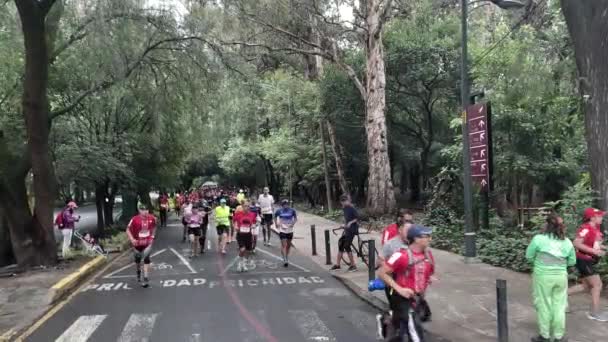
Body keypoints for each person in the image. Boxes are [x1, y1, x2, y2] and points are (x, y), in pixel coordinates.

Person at [378, 225, 435, 341]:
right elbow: (382, 273)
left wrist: (428, 279)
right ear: (416, 239)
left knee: (400, 331)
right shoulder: (400, 255)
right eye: (427, 236)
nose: (430, 239)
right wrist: (400, 289)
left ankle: (387, 319)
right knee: (415, 331)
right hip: (401, 297)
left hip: (417, 298)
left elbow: (429, 273)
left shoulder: (428, 256)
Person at [526, 214, 576, 342]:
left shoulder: (538, 239)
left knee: (544, 304)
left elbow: (529, 256)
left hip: (542, 277)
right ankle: (559, 337)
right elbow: (572, 262)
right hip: (561, 277)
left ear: (547, 225)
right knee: (559, 306)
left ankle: (545, 336)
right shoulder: (567, 242)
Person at [568, 207, 608, 321]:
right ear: (592, 218)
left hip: (588, 260)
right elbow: (576, 242)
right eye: (599, 216)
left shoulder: (596, 227)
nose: (602, 218)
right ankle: (594, 313)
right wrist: (594, 251)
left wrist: (603, 248)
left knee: (585, 286)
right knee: (597, 285)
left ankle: (558, 297)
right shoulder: (586, 228)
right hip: (583, 259)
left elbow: (594, 244)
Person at [126, 204, 156, 288]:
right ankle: (138, 271)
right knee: (138, 261)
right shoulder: (134, 219)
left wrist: (152, 237)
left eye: (147, 210)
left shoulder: (152, 218)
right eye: (143, 210)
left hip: (147, 243)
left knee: (146, 259)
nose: (145, 212)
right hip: (137, 243)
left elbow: (154, 227)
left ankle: (145, 278)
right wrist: (132, 239)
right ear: (139, 211)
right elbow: (127, 229)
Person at [330, 195, 359, 272]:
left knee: (347, 246)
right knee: (341, 244)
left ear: (347, 201)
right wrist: (344, 224)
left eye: (345, 201)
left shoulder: (352, 208)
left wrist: (350, 222)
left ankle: (353, 265)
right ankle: (338, 265)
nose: (344, 203)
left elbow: (357, 217)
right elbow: (346, 218)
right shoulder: (344, 208)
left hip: (353, 229)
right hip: (347, 229)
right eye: (343, 202)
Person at [233, 200, 257, 272]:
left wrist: (253, 226)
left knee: (248, 251)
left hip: (248, 235)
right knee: (242, 249)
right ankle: (240, 263)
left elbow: (254, 222)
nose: (247, 207)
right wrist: (235, 227)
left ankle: (244, 264)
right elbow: (233, 221)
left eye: (248, 206)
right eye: (245, 206)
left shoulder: (252, 214)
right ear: (242, 207)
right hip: (240, 234)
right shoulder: (238, 214)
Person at [274, 199, 298, 267]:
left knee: (288, 245)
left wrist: (293, 223)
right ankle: (285, 259)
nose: (286, 205)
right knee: (284, 245)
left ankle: (286, 256)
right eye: (284, 204)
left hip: (290, 230)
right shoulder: (279, 211)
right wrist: (276, 223)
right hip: (282, 230)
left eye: (287, 204)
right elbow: (275, 216)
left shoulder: (292, 210)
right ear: (282, 205)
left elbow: (295, 218)